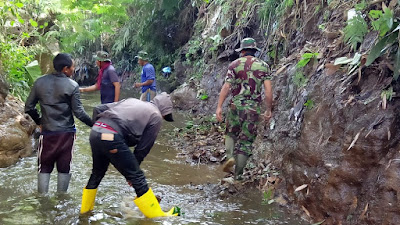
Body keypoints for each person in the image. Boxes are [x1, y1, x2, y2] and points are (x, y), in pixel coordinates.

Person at [80, 92, 177, 218]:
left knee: (97, 173)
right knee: (138, 177)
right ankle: (157, 216)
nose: (163, 118)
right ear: (164, 111)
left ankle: (85, 213)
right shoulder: (156, 116)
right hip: (111, 135)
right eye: (165, 116)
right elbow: (142, 149)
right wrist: (131, 174)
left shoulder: (131, 100)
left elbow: (98, 108)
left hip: (96, 131)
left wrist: (99, 130)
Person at [25, 53, 93, 194]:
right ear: (65, 69)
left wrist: (40, 122)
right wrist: (95, 124)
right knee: (64, 167)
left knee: (44, 166)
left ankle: (43, 202)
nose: (74, 69)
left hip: (47, 133)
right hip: (66, 135)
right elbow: (79, 113)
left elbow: (29, 107)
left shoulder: (39, 83)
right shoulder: (72, 86)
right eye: (73, 66)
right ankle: (62, 201)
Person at [216, 38, 273, 180]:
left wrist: (219, 107)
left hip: (236, 105)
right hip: (253, 108)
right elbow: (268, 91)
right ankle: (238, 176)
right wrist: (268, 109)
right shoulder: (264, 66)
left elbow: (227, 87)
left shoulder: (234, 65)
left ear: (241, 51)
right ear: (255, 51)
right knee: (246, 141)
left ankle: (230, 157)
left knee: (231, 133)